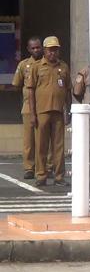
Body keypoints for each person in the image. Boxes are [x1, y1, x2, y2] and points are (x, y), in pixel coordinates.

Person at [25, 36, 72, 187]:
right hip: (42, 112)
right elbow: (30, 91)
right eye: (50, 50)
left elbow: (68, 90)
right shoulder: (37, 67)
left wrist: (68, 111)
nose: (53, 53)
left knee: (58, 146)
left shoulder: (63, 67)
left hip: (58, 112)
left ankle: (59, 176)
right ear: (45, 50)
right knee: (41, 145)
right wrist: (32, 114)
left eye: (55, 50)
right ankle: (41, 175)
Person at [11, 36, 49, 179]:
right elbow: (16, 84)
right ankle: (29, 167)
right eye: (33, 48)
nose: (36, 50)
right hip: (28, 107)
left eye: (38, 47)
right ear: (28, 49)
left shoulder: (48, 64)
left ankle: (46, 166)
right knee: (29, 140)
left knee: (46, 140)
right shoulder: (24, 65)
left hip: (45, 106)